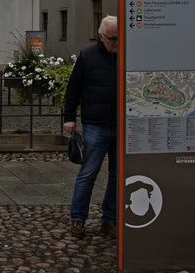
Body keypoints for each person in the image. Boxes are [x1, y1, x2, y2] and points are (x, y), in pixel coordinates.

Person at [63, 15, 118, 239]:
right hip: (97, 124)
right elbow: (73, 89)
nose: (117, 43)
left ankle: (110, 219)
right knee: (88, 174)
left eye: (120, 38)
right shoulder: (88, 56)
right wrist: (69, 117)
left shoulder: (128, 55)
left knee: (118, 175)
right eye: (113, 38)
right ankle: (78, 218)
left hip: (123, 125)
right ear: (101, 37)